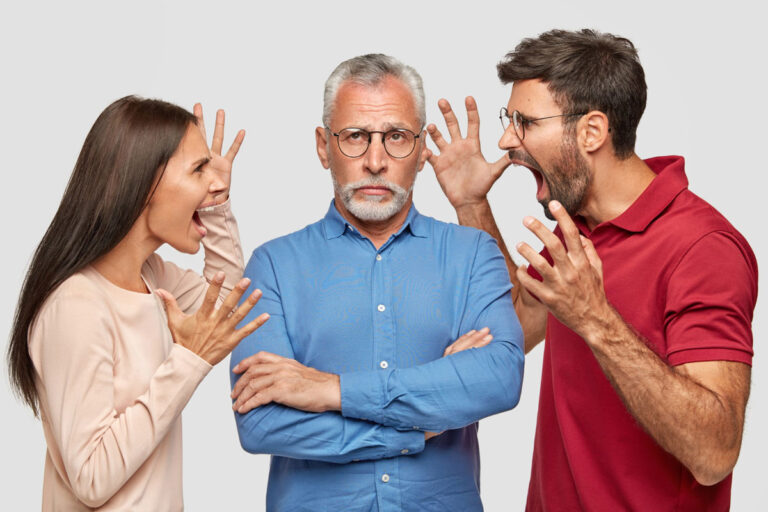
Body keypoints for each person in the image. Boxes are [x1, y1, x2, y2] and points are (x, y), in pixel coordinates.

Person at [426, 29, 757, 510]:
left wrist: (595, 318)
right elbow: (515, 326)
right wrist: (472, 204)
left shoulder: (703, 247)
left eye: (524, 122)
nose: (505, 140)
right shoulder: (575, 228)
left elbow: (715, 453)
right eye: (508, 120)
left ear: (592, 131)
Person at [228, 54, 525, 511]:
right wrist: (421, 425)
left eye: (396, 137)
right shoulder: (273, 265)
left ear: (421, 150)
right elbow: (260, 422)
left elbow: (499, 379)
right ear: (323, 146)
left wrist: (330, 390)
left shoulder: (472, 255)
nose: (375, 161)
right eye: (355, 137)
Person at [7, 96, 269, 511]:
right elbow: (91, 478)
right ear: (146, 183)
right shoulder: (76, 305)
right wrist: (187, 362)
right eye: (198, 170)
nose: (216, 183)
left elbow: (221, 307)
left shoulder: (152, 277)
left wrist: (216, 209)